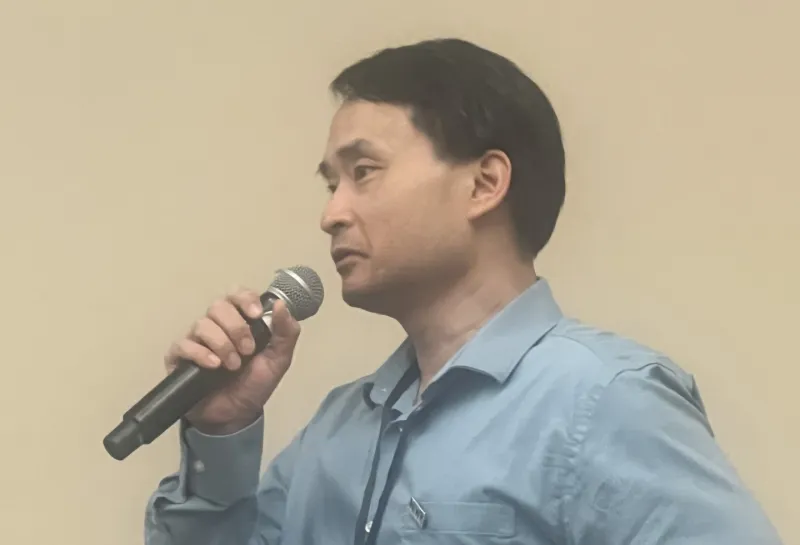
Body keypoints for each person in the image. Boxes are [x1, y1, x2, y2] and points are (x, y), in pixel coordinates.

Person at [144, 38, 782, 545]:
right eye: (330, 183)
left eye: (362, 172)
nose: (331, 213)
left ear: (484, 184)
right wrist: (222, 431)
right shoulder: (339, 428)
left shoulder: (603, 403)